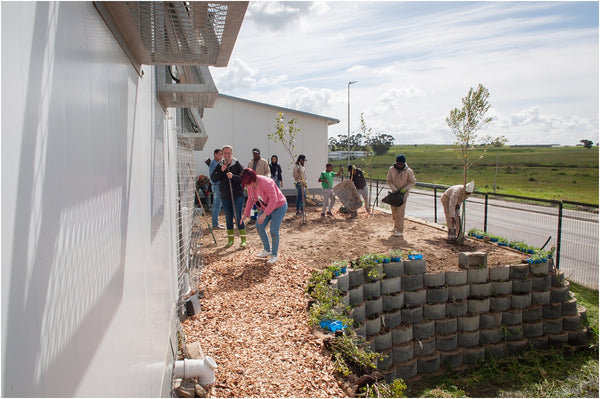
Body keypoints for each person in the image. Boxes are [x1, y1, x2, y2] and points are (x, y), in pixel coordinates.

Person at [241, 168, 288, 264]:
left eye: (248, 184)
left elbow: (273, 200)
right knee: (259, 226)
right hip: (264, 207)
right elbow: (250, 199)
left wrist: (265, 214)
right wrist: (245, 214)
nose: (247, 186)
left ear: (253, 179)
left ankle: (274, 254)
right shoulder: (250, 186)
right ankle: (267, 249)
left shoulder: (267, 182)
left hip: (279, 206)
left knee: (273, 230)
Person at [210, 145, 247, 247]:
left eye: (229, 153)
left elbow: (243, 177)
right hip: (225, 195)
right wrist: (221, 171)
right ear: (222, 154)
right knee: (228, 217)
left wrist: (233, 176)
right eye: (225, 153)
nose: (227, 155)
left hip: (237, 194)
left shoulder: (236, 164)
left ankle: (243, 239)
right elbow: (213, 178)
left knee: (238, 216)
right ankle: (230, 239)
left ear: (232, 153)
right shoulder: (220, 165)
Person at [386, 154, 417, 237]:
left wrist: (405, 189)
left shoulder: (409, 171)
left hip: (403, 194)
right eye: (398, 163)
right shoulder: (391, 169)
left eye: (401, 163)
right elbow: (389, 181)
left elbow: (413, 182)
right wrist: (395, 189)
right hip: (394, 193)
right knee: (394, 210)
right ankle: (395, 226)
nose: (399, 165)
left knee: (400, 211)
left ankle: (400, 230)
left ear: (403, 163)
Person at [208, 148, 225, 229]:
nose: (221, 156)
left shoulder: (215, 163)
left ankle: (216, 222)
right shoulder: (214, 164)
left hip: (217, 185)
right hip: (217, 185)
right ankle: (215, 223)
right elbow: (217, 175)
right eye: (220, 154)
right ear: (215, 154)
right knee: (217, 205)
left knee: (217, 204)